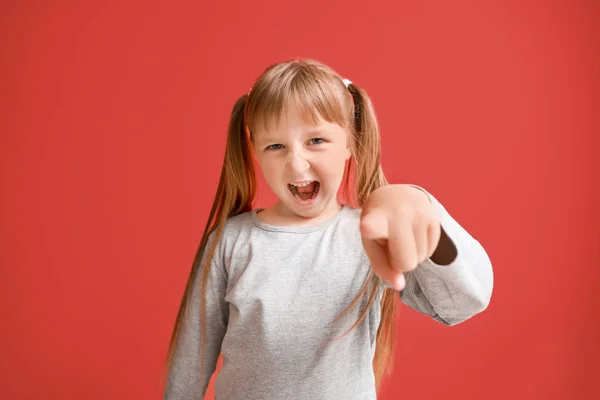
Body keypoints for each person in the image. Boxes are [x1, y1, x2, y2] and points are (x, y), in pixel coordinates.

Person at [162, 58, 494, 399]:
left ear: (350, 142)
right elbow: (191, 359)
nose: (296, 163)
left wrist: (426, 213)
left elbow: (463, 303)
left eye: (316, 140)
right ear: (256, 153)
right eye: (275, 146)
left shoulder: (370, 234)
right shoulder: (229, 242)